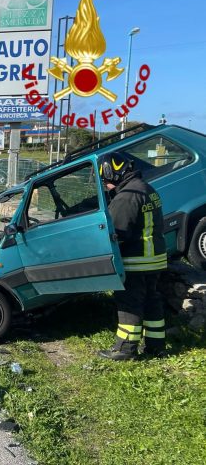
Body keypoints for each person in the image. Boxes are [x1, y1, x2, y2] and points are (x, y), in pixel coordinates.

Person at [98, 153, 167, 360]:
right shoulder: (147, 188)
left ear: (113, 174)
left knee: (130, 304)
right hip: (155, 259)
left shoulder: (126, 197)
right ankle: (156, 347)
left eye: (106, 181)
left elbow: (117, 233)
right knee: (151, 302)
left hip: (136, 261)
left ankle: (125, 349)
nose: (106, 185)